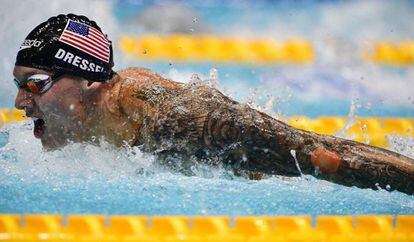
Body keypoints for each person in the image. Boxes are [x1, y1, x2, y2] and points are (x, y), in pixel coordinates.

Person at [13, 14, 414, 194]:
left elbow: (324, 155)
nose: (19, 102)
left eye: (35, 84)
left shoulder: (172, 117)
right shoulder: (88, 123)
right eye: (18, 85)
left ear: (89, 81)